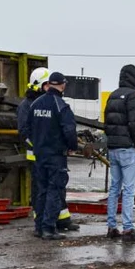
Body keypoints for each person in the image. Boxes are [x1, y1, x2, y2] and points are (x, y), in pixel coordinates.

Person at [29, 72, 78, 240]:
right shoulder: (61, 106)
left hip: (39, 155)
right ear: (63, 85)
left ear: (49, 84)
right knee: (55, 190)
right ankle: (49, 228)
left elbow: (28, 128)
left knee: (41, 190)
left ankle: (39, 227)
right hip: (56, 155)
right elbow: (69, 131)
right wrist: (72, 147)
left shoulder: (35, 104)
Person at [103, 64, 135, 243]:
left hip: (113, 147)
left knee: (114, 188)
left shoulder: (112, 95)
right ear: (134, 80)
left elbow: (106, 123)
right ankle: (128, 229)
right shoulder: (132, 96)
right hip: (127, 148)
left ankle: (112, 226)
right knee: (128, 190)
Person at [18, 67, 50, 237]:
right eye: (47, 84)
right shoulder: (27, 106)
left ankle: (56, 218)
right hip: (36, 154)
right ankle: (40, 220)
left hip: (48, 154)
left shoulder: (45, 103)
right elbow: (24, 131)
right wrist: (39, 145)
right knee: (39, 188)